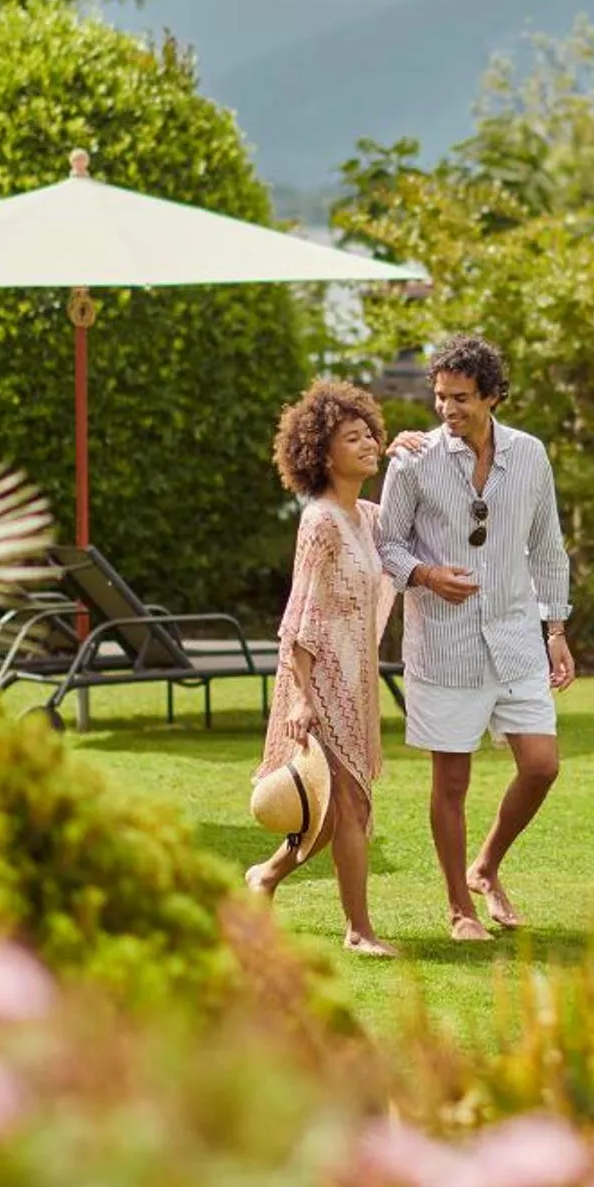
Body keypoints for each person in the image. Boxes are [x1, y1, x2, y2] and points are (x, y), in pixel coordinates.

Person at [378, 333, 574, 943]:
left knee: (541, 767)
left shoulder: (532, 456)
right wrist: (430, 576)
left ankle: (486, 866)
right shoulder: (412, 460)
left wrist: (557, 629)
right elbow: (387, 543)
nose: (446, 410)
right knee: (452, 781)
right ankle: (459, 907)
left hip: (515, 636)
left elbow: (546, 547)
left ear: (492, 395)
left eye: (460, 398)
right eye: (440, 397)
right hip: (444, 643)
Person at [246, 379, 399, 958]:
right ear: (321, 454)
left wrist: (414, 450)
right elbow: (300, 612)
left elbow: (412, 523)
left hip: (355, 681)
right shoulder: (321, 522)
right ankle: (359, 930)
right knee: (351, 808)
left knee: (335, 814)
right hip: (316, 678)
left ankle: (266, 875)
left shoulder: (365, 516)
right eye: (351, 438)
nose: (367, 445)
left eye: (370, 435)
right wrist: (300, 697)